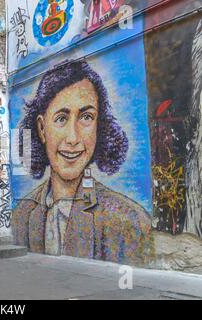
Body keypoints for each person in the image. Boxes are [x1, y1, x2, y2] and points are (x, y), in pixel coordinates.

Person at [13, 60, 152, 266]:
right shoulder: (22, 215)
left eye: (86, 117)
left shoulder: (129, 220)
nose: (73, 138)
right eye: (61, 118)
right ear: (42, 129)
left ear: (99, 126)